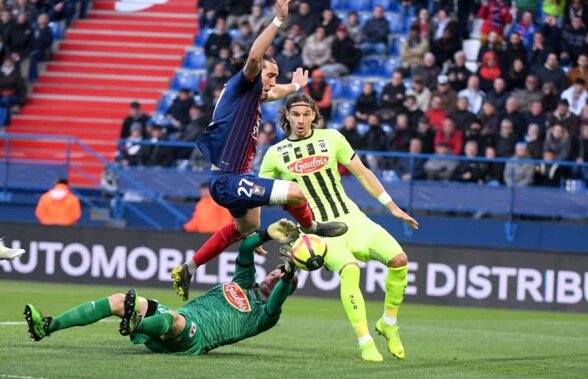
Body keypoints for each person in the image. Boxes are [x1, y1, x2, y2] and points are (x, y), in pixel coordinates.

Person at [173, 0, 347, 301]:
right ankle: (313, 228)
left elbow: (274, 91)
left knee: (249, 226)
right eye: (270, 75)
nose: (273, 81)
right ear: (254, 73)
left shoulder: (251, 95)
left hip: (232, 176)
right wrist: (278, 21)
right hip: (229, 178)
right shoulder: (243, 83)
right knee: (294, 192)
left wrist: (292, 87)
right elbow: (255, 56)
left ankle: (188, 267)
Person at [259, 94, 419, 362]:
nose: (300, 120)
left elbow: (363, 173)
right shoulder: (274, 155)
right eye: (295, 115)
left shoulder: (332, 138)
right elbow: (260, 195)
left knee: (400, 260)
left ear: (314, 115)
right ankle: (365, 341)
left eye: (305, 114)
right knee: (350, 270)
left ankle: (388, 323)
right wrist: (258, 232)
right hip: (318, 230)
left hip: (353, 219)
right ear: (286, 115)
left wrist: (391, 206)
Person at [24, 220, 301, 355]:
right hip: (179, 316)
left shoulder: (266, 314)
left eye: (280, 280)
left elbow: (277, 300)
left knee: (174, 319)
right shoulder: (244, 282)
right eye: (275, 273)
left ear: (286, 290)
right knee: (119, 299)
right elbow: (245, 249)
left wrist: (288, 274)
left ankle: (137, 325)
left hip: (194, 339)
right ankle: (47, 326)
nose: (273, 278)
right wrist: (267, 233)